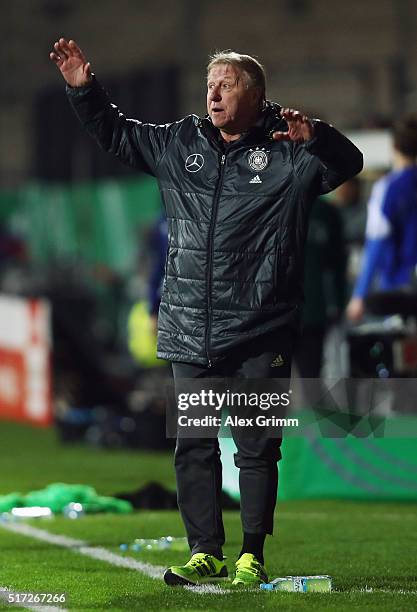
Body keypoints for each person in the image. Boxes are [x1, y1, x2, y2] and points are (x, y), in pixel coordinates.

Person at [50, 38, 363, 587]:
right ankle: (205, 552)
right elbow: (119, 134)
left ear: (256, 94)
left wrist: (319, 137)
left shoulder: (291, 153)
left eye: (227, 84)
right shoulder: (179, 143)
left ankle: (252, 555)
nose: (213, 94)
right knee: (193, 446)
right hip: (190, 326)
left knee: (256, 449)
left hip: (261, 327)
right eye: (210, 84)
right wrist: (84, 90)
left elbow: (349, 164)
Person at [347, 114, 417, 322]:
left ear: (394, 147)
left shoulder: (388, 188)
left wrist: (359, 294)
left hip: (399, 286)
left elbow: (376, 243)